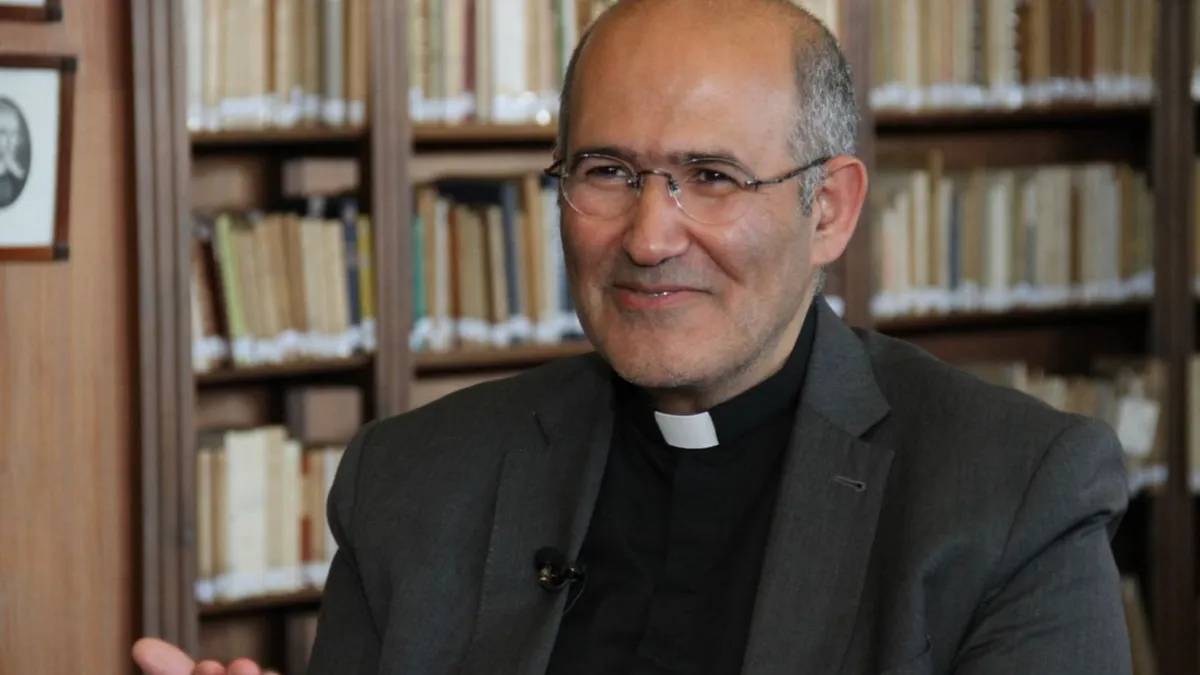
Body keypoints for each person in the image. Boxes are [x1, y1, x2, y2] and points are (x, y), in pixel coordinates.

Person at [134, 0, 1134, 673]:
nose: (650, 239)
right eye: (607, 172)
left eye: (712, 177)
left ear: (828, 209)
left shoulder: (1014, 495)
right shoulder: (409, 482)